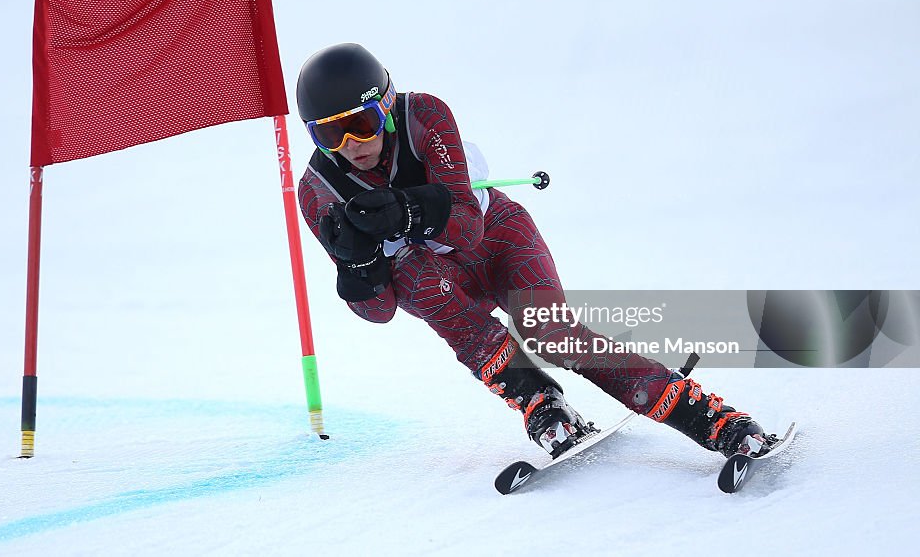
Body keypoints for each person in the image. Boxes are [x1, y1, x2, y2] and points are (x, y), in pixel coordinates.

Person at [295, 43, 772, 459]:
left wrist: (406, 210)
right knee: (414, 273)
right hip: (439, 281)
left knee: (549, 332)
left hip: (496, 239)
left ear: (388, 104)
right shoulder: (319, 191)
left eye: (362, 122)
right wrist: (358, 264)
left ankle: (708, 418)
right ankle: (539, 402)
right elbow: (379, 313)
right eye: (330, 134)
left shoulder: (423, 114)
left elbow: (467, 229)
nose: (352, 144)